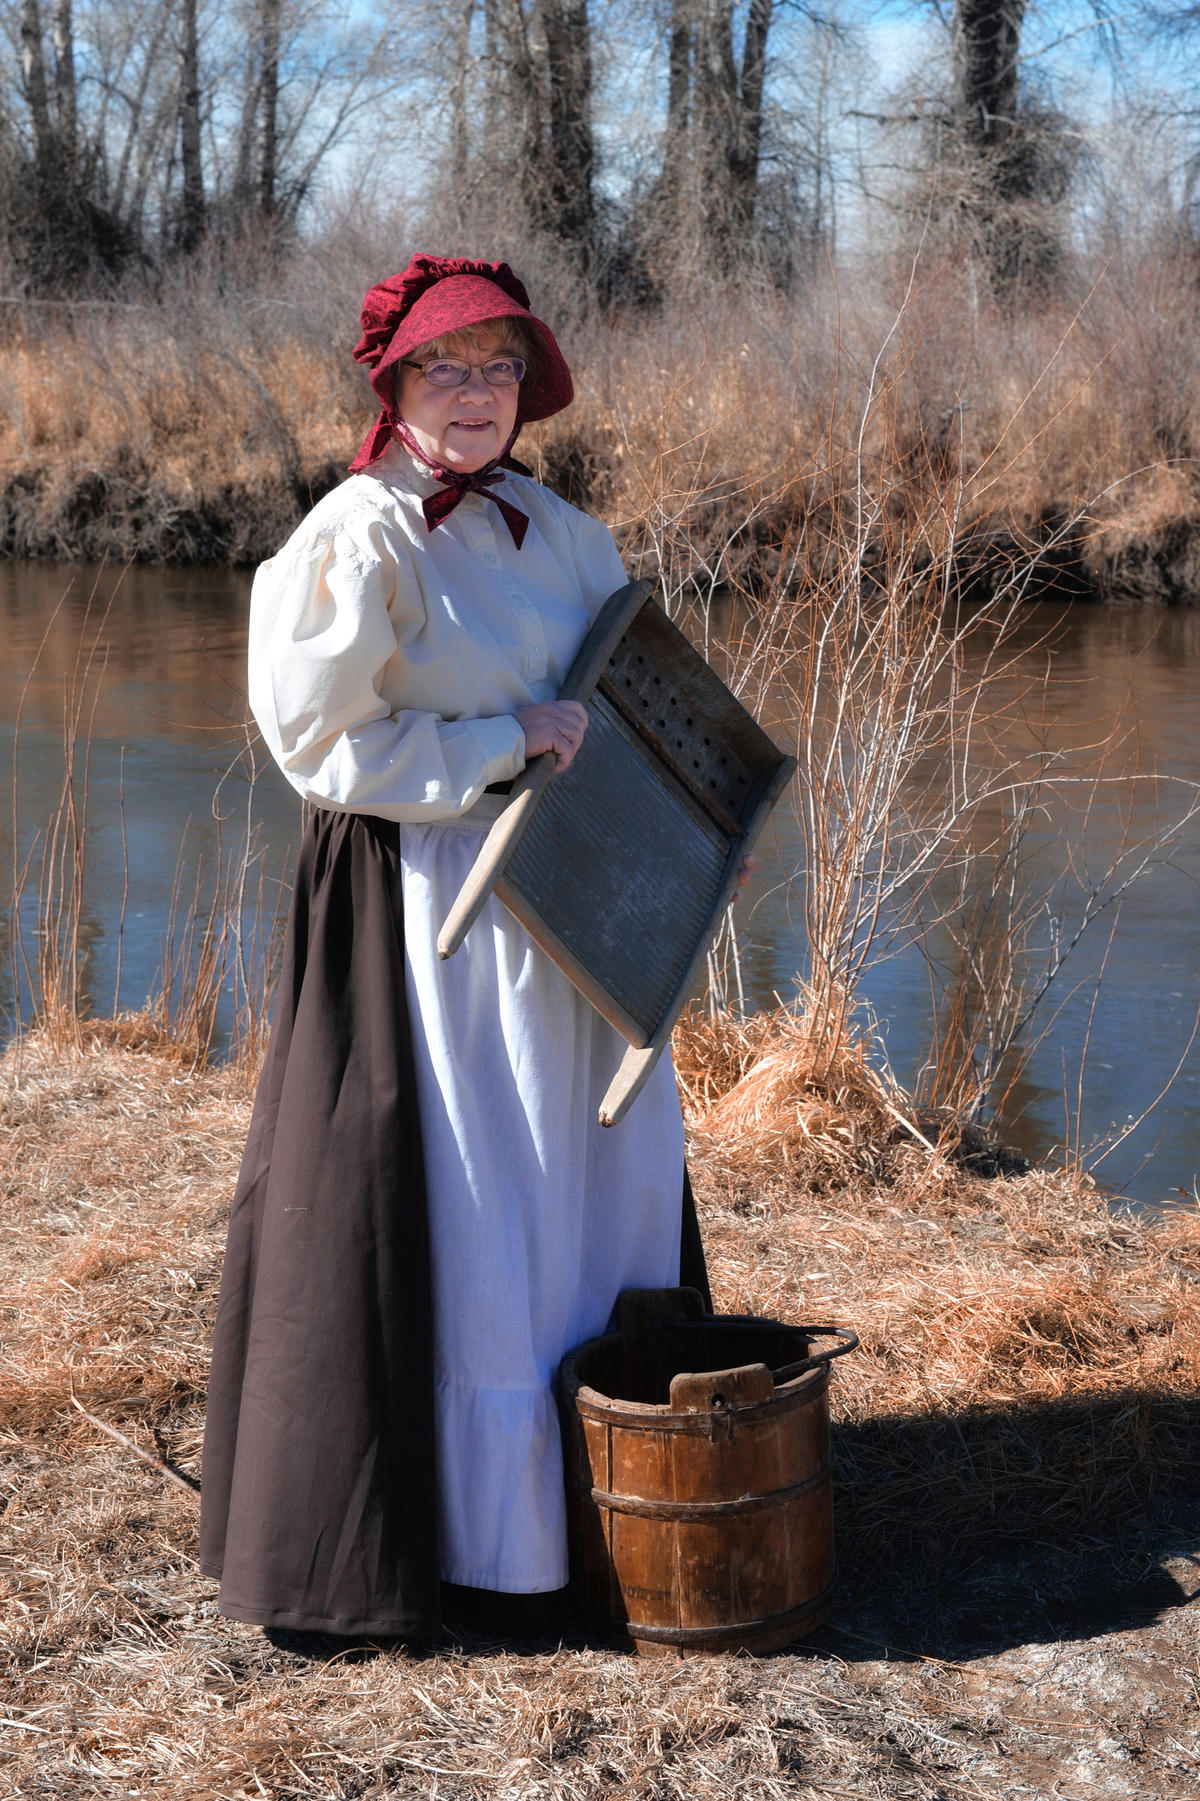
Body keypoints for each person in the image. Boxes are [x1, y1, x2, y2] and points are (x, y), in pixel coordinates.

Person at [198, 254, 709, 1641]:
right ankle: (473, 1536)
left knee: (583, 1193)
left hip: (576, 913)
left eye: (497, 367)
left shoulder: (564, 531)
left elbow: (621, 704)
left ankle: (594, 1509)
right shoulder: (361, 536)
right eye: (446, 368)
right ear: (396, 385)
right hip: (430, 912)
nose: (476, 394)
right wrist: (500, 743)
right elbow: (318, 744)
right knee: (478, 1204)